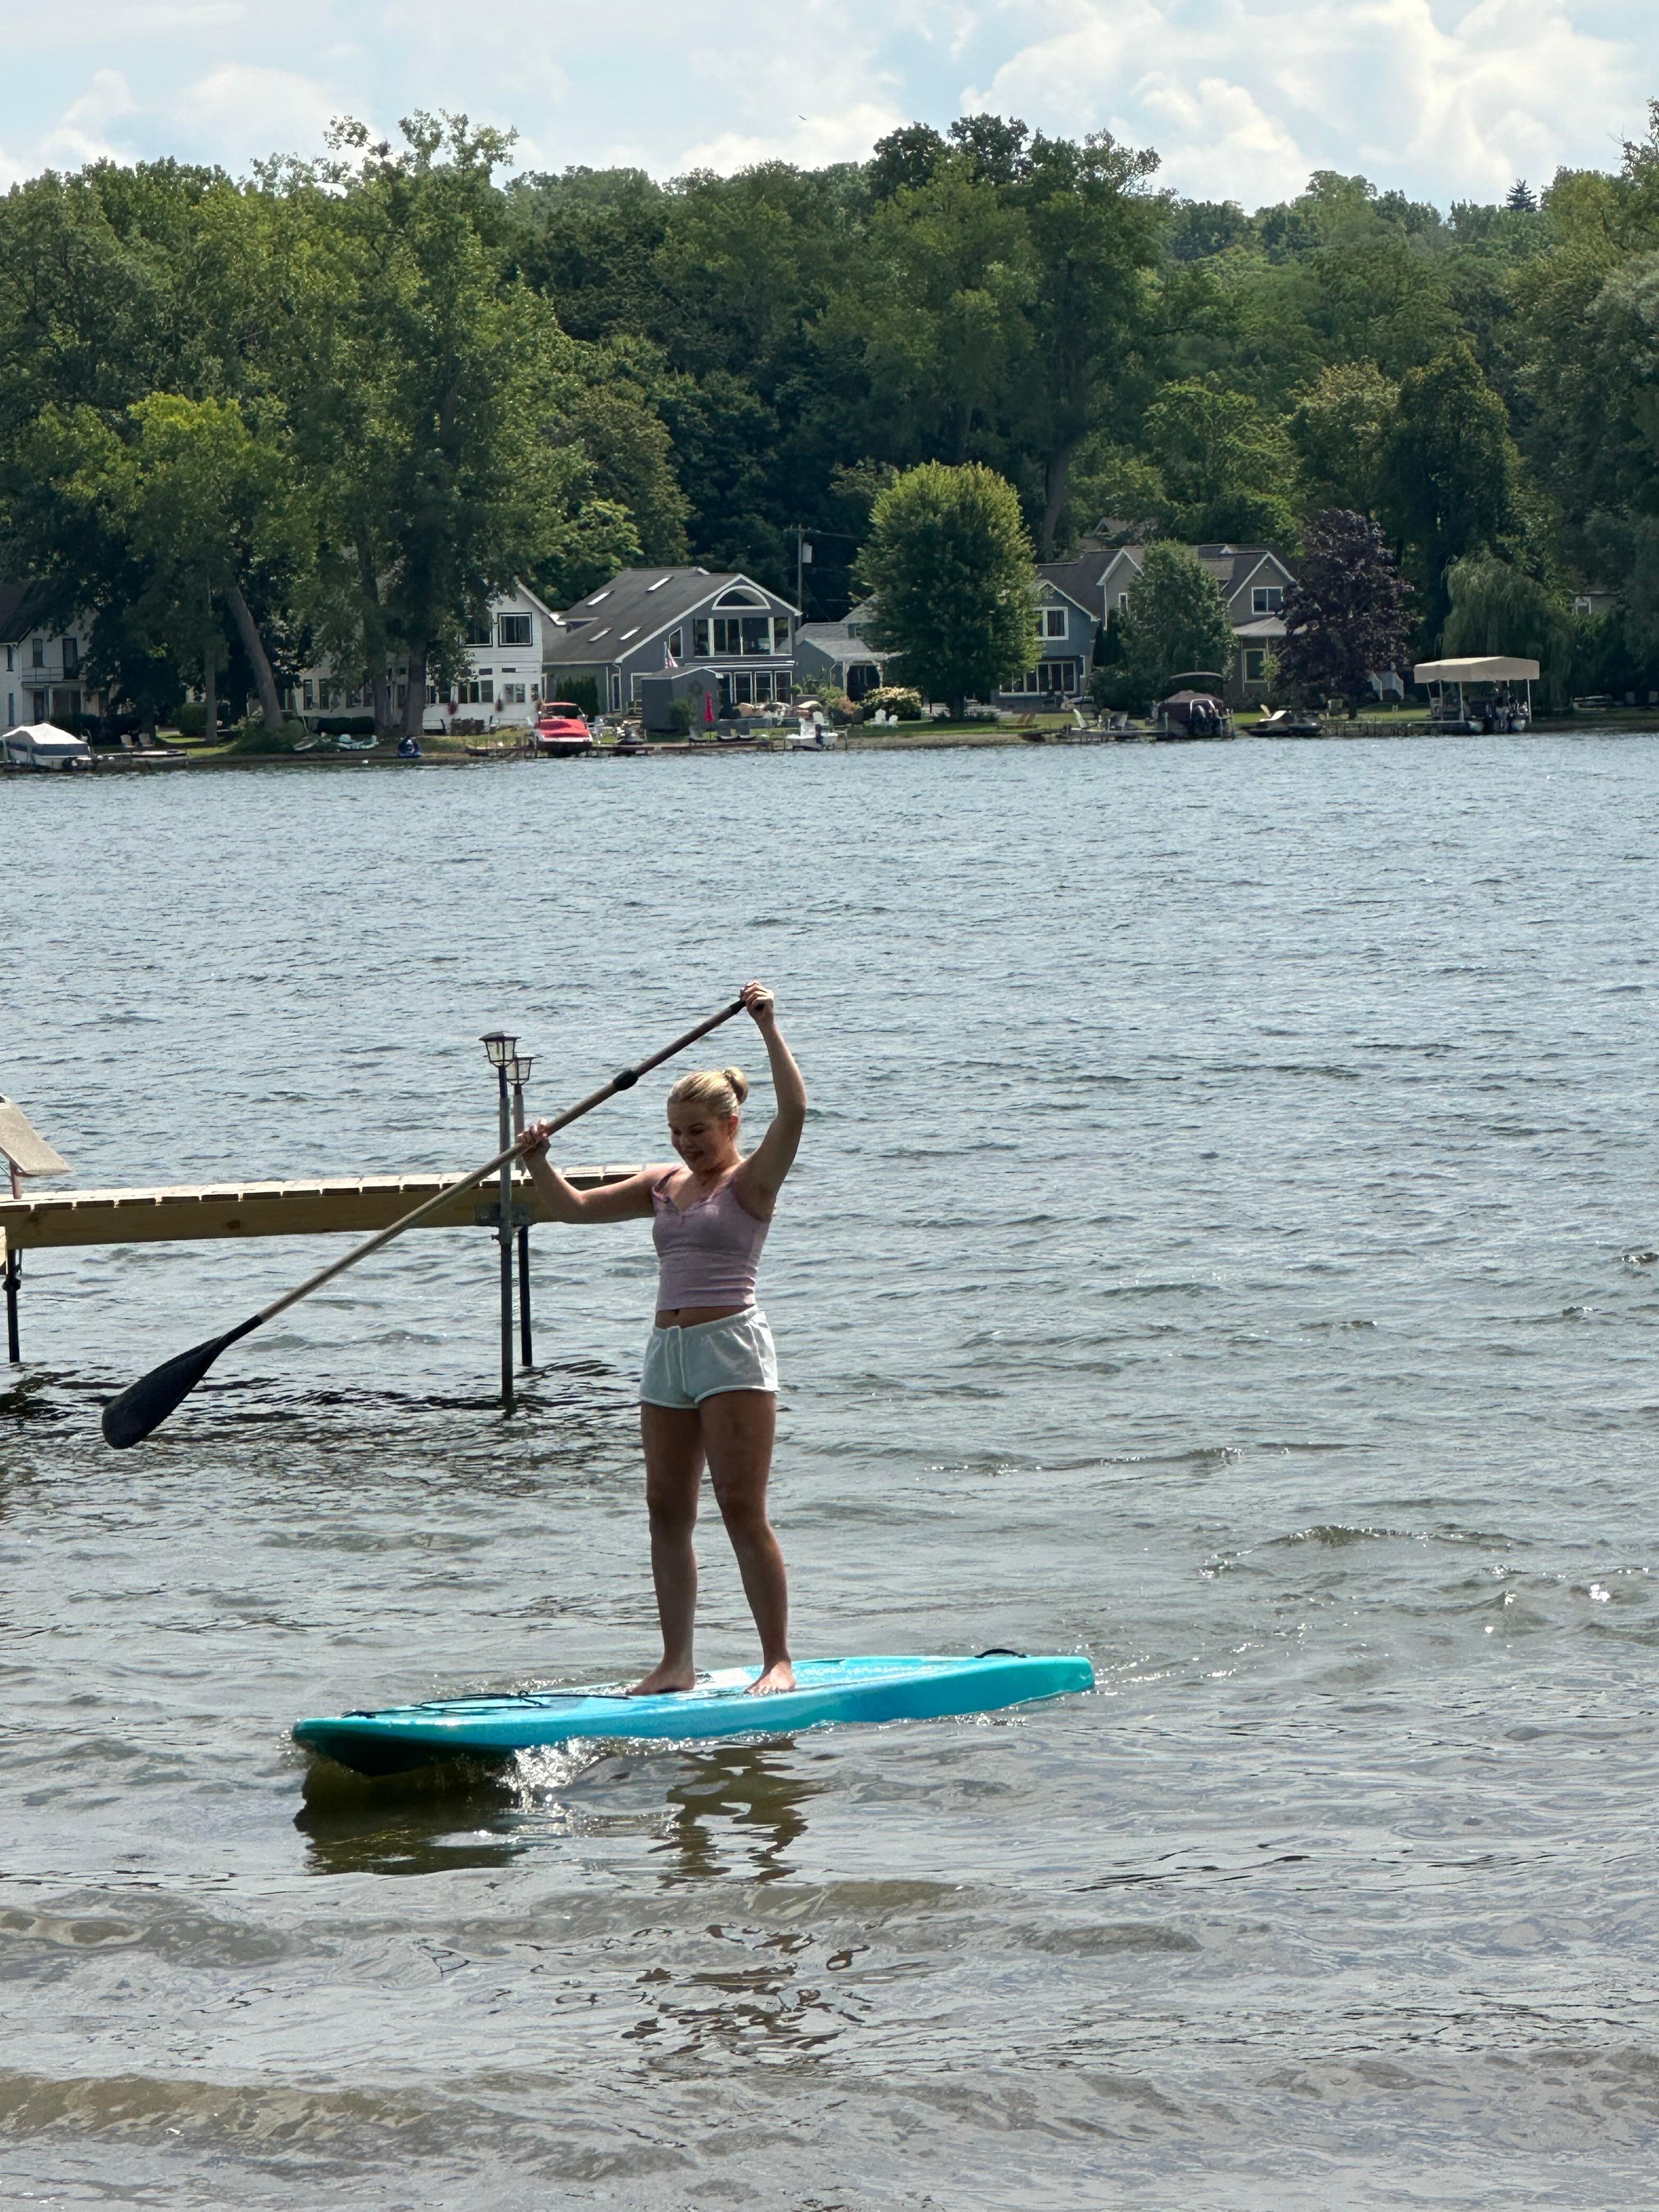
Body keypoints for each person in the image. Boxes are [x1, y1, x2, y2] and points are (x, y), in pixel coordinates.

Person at [518, 981, 806, 1695]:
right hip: (666, 1357)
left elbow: (797, 1111)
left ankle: (779, 1660)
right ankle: (676, 1662)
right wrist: (539, 1158)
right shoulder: (660, 1182)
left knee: (742, 1509)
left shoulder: (751, 1183)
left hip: (731, 1349)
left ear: (732, 1124)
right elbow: (575, 1209)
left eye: (698, 1132)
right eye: (676, 1132)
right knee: (666, 1508)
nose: (685, 1144)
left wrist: (769, 1028)